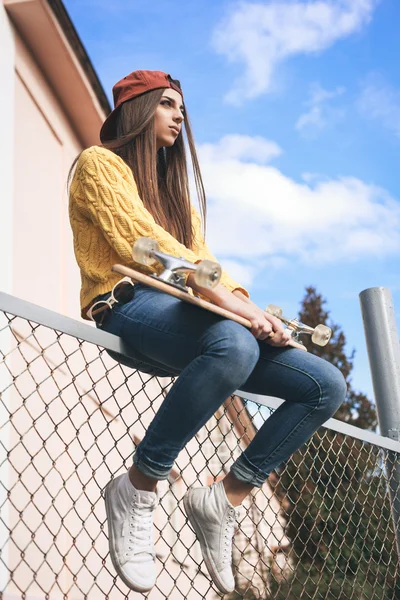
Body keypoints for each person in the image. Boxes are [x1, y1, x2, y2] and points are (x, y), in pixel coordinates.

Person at [68, 70, 346, 595]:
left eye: (182, 108)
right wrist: (227, 306)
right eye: (168, 105)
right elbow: (141, 244)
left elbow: (208, 264)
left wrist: (253, 311)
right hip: (126, 305)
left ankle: (223, 498)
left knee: (324, 385)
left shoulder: (179, 200)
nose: (179, 116)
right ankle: (138, 486)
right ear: (138, 108)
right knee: (234, 340)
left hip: (195, 321)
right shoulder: (98, 164)